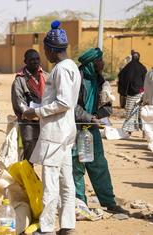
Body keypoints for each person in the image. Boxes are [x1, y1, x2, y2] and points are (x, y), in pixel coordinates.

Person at [22, 21, 81, 235]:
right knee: (67, 180)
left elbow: (64, 102)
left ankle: (46, 228)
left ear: (52, 50)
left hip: (56, 132)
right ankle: (67, 226)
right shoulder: (71, 66)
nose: (45, 54)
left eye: (46, 50)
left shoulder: (61, 69)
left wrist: (35, 112)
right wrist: (39, 108)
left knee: (51, 181)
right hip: (65, 130)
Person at [73, 48, 128, 214]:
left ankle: (109, 202)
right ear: (91, 63)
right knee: (77, 167)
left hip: (92, 130)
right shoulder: (76, 78)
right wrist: (89, 117)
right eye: (99, 60)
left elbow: (107, 107)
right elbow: (70, 105)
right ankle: (79, 204)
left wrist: (99, 114)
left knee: (99, 166)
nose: (102, 63)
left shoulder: (100, 80)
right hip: (76, 130)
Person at [11, 49, 47, 161]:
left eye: (37, 59)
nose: (35, 62)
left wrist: (43, 112)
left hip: (45, 120)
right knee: (29, 154)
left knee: (46, 154)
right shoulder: (19, 80)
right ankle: (28, 177)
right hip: (28, 122)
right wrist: (33, 113)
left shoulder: (46, 76)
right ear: (25, 61)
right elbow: (18, 102)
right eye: (32, 60)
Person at [118, 51, 147, 135]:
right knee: (141, 113)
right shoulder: (142, 67)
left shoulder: (127, 67)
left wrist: (124, 90)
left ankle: (129, 131)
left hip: (131, 93)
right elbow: (145, 80)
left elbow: (121, 76)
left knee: (130, 111)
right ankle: (144, 133)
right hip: (141, 93)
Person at [141, 69, 153, 152]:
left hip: (150, 104)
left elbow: (145, 88)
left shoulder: (149, 73)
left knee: (149, 125)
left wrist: (144, 100)